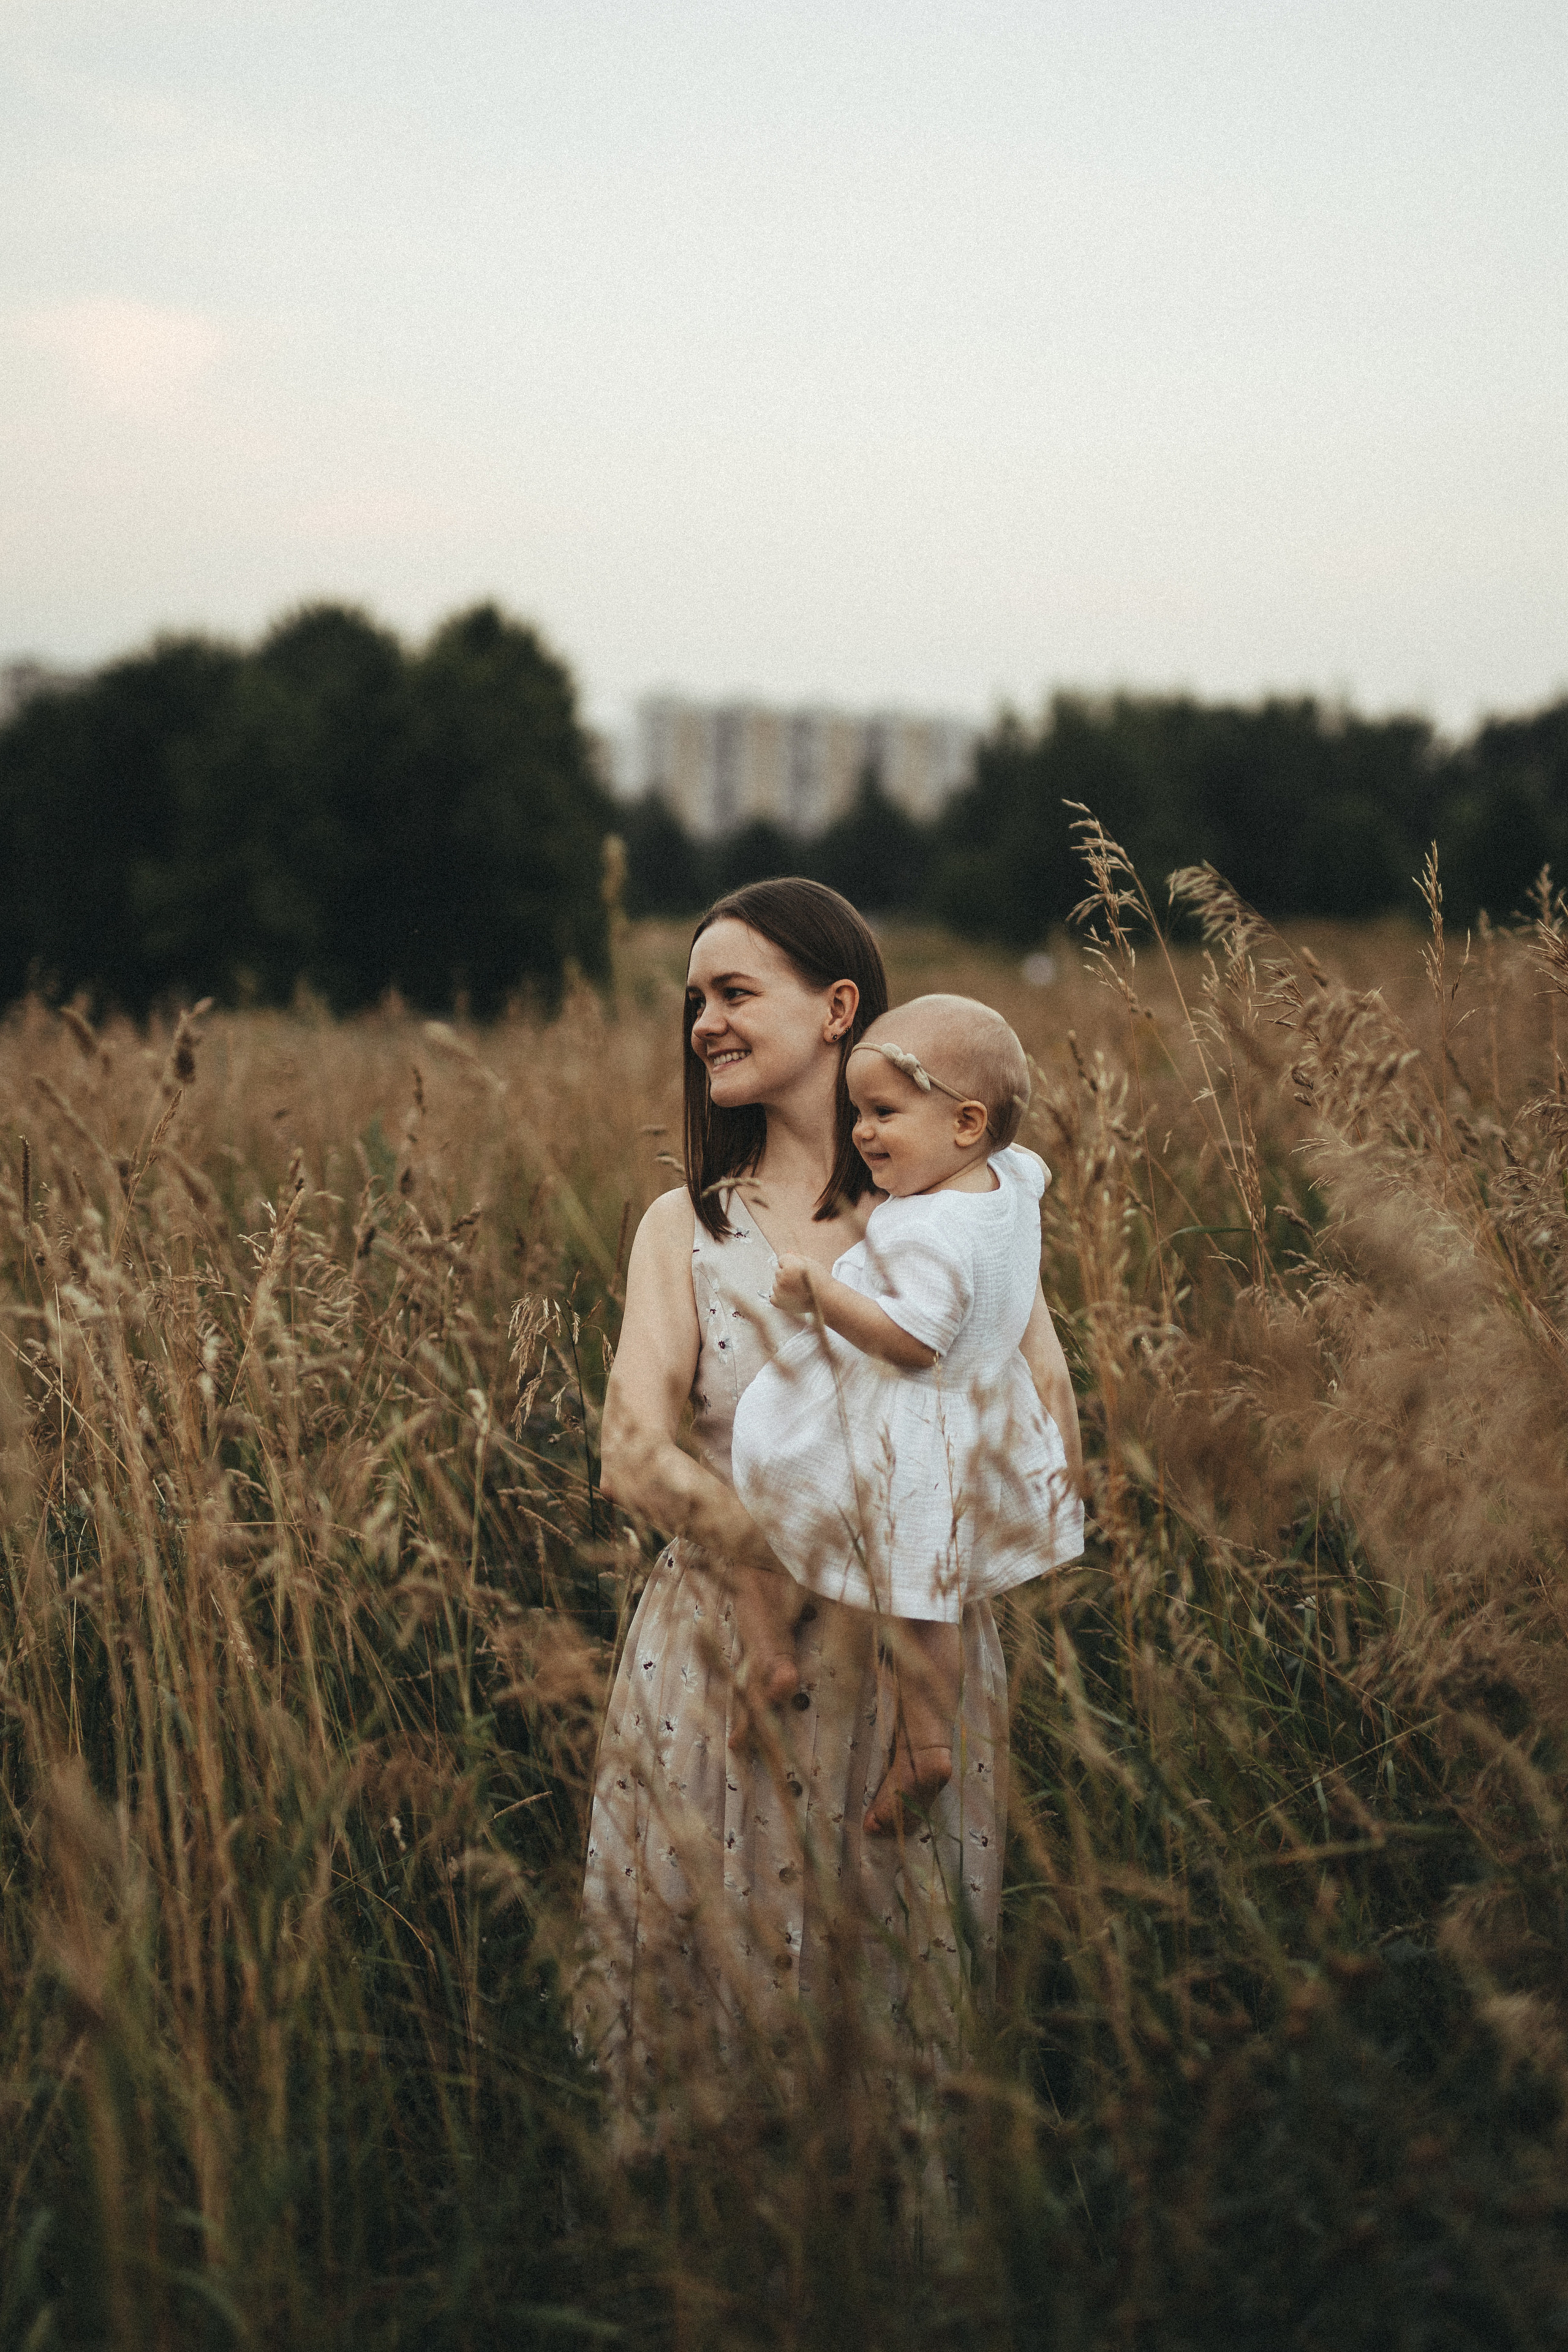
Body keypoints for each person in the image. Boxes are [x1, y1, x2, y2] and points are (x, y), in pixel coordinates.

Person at [580, 880, 1082, 2113]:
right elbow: (628, 1454)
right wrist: (781, 1542)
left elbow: (1048, 1425)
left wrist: (907, 1552)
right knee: (704, 2026)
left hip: (912, 1666)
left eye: (735, 993)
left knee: (890, 2034)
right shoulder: (684, 1228)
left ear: (836, 1006)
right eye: (693, 1000)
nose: (703, 1021)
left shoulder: (957, 1221)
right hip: (718, 1666)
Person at [728, 995, 1084, 1833]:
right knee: (929, 1605)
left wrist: (822, 1295)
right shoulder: (1013, 1179)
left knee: (763, 1485)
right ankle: (925, 1746)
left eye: (885, 1113)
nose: (862, 1133)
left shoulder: (932, 1232)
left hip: (908, 1428)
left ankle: (774, 1658)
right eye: (857, 1111)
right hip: (978, 1425)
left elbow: (913, 1341)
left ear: (965, 1123)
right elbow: (1031, 1168)